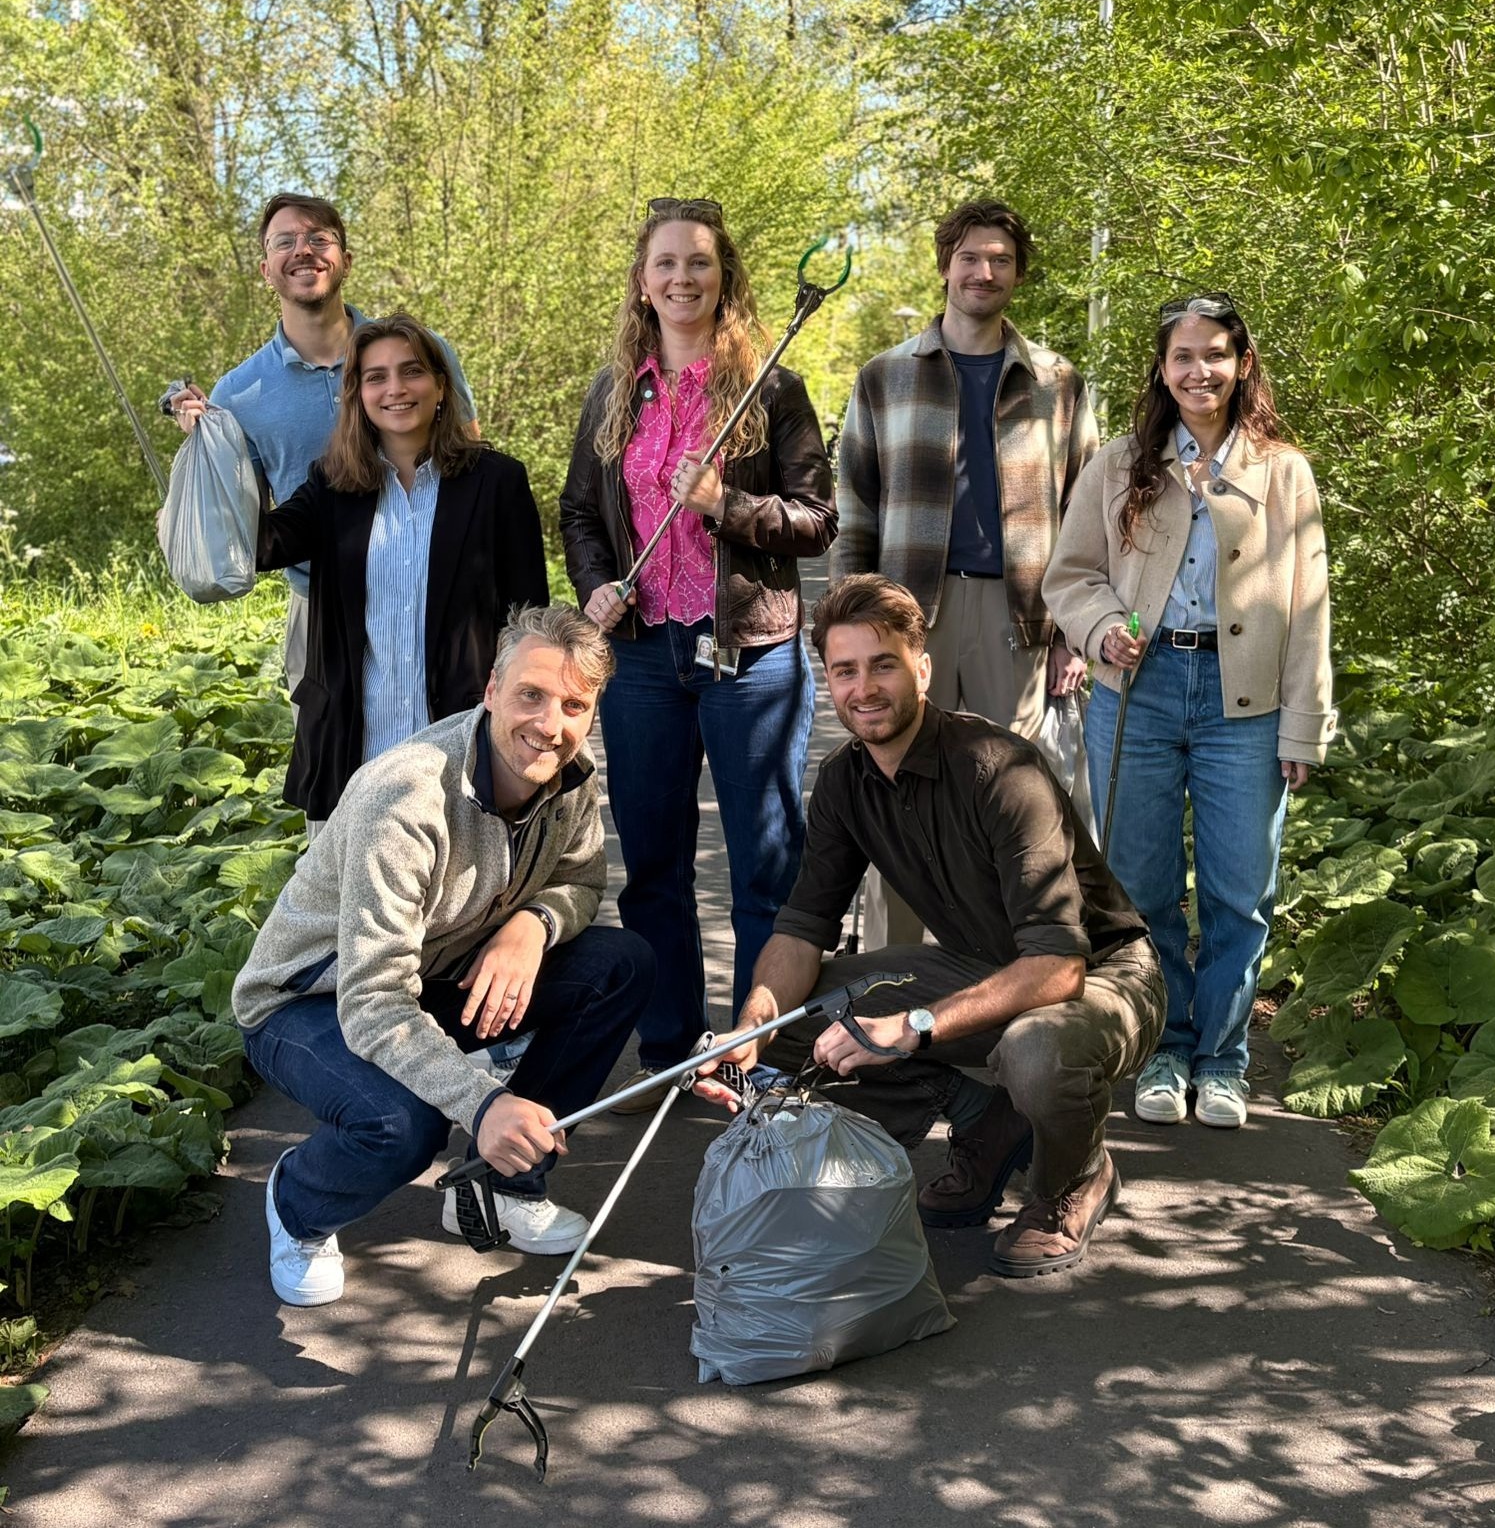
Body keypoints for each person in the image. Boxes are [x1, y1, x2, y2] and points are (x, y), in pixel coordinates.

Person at [694, 575, 1164, 1278]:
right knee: (793, 1026)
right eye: (845, 671)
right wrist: (751, 1024)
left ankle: (1075, 1179)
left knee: (1035, 1052)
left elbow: (1060, 966)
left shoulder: (1000, 770)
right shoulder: (846, 780)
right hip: (991, 969)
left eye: (883, 664)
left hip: (1104, 978)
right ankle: (987, 1121)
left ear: (921, 667)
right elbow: (801, 926)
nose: (864, 688)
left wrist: (910, 1026)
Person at [232, 604, 654, 1306]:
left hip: (433, 972)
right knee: (403, 1124)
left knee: (621, 964)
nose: (550, 725)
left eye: (574, 705)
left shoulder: (571, 777)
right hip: (309, 1000)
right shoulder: (405, 799)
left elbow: (580, 882)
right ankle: (299, 1205)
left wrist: (533, 926)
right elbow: (371, 1002)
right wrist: (482, 1102)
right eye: (531, 695)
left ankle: (503, 1186)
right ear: (491, 689)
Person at [559, 197, 836, 1107]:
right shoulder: (614, 391)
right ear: (643, 279)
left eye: (700, 264)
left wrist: (727, 506)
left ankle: (758, 1049)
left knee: (764, 862)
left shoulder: (771, 388)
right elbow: (577, 513)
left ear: (727, 279)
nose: (682, 279)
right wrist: (597, 581)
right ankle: (673, 1048)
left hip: (749, 652)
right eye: (666, 263)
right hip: (641, 655)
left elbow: (816, 523)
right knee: (654, 864)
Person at [1042, 293, 1336, 1130]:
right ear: (1162, 370)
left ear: (1243, 365)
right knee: (1142, 886)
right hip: (1140, 694)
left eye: (1215, 354)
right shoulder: (1121, 463)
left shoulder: (1283, 471)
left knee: (1242, 891)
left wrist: (1303, 725)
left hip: (1245, 703)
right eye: (1182, 356)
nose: (1199, 370)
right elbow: (1071, 576)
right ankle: (1163, 1046)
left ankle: (1224, 1059)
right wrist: (1102, 631)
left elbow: (1310, 607)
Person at [833, 198, 1099, 947]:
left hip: (1016, 621)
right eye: (971, 258)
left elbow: (1086, 516)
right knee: (896, 791)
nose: (985, 272)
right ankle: (886, 977)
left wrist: (1071, 633)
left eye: (1001, 261)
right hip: (903, 616)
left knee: (1005, 801)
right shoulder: (885, 377)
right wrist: (850, 628)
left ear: (1019, 275)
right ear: (946, 266)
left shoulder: (1056, 383)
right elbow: (855, 503)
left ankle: (997, 984)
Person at [177, 312, 546, 825]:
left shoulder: (496, 482)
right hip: (356, 742)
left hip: (460, 740)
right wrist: (208, 450)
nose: (395, 388)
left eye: (411, 371)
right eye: (376, 377)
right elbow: (260, 545)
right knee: (356, 898)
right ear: (358, 395)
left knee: (460, 898)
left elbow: (529, 618)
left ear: (441, 385)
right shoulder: (333, 486)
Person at [169, 193, 479, 698]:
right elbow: (248, 525)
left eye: (319, 238)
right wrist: (208, 446)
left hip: (438, 594)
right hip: (319, 610)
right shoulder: (239, 394)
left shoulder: (421, 355)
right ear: (266, 269)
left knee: (448, 763)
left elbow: (470, 464)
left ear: (346, 261)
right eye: (285, 241)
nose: (304, 250)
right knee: (329, 771)